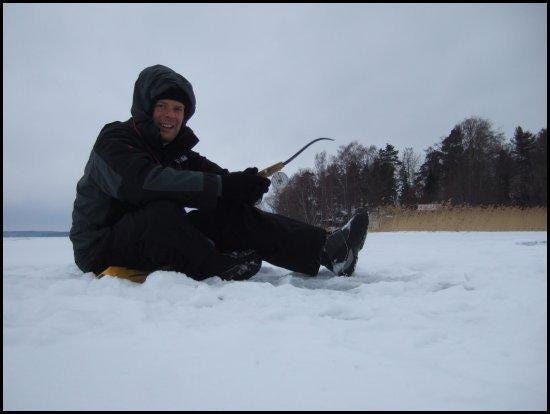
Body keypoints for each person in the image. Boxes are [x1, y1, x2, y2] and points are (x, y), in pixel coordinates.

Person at [70, 64, 369, 282]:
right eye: (162, 106)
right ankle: (215, 265)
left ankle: (330, 252)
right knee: (161, 210)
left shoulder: (177, 152)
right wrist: (223, 185)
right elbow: (142, 183)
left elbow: (218, 180)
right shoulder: (115, 139)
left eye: (178, 109)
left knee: (224, 208)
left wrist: (244, 182)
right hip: (101, 247)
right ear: (145, 108)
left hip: (154, 236)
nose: (170, 116)